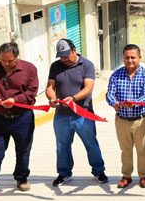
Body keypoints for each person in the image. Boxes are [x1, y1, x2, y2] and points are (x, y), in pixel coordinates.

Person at [46, 39, 107, 186]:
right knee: (62, 145)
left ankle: (98, 171)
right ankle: (64, 173)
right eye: (61, 56)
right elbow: (49, 87)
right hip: (61, 115)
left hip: (83, 114)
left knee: (91, 143)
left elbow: (88, 88)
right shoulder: (55, 66)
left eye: (67, 55)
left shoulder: (87, 65)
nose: (64, 59)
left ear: (74, 50)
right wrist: (52, 98)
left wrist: (73, 99)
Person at [0, 42, 38, 196]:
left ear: (17, 57)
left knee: (23, 150)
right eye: (3, 60)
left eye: (10, 61)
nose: (6, 64)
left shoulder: (29, 69)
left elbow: (32, 93)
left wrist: (16, 101)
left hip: (23, 118)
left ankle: (21, 178)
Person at [106, 44, 145, 189]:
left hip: (140, 120)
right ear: (123, 58)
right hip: (121, 120)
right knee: (125, 150)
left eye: (133, 57)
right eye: (127, 57)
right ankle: (126, 175)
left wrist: (133, 104)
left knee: (142, 150)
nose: (130, 60)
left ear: (139, 58)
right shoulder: (116, 74)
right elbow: (109, 93)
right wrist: (113, 103)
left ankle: (143, 176)